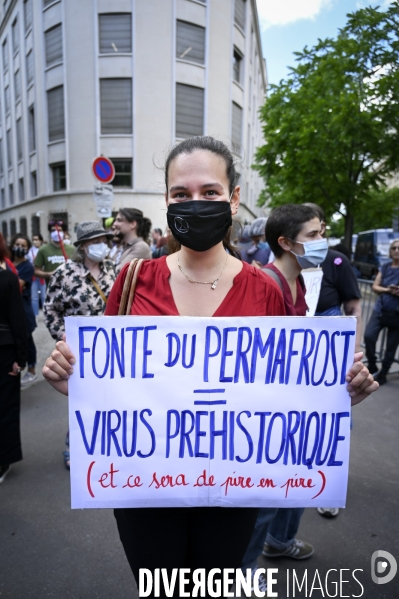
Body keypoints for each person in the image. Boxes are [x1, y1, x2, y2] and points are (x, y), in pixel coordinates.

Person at [42, 137, 378, 598]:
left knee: (215, 588)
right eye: (181, 194)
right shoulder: (134, 278)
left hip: (233, 490)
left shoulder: (265, 289)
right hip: (146, 488)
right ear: (166, 201)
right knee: (160, 588)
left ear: (233, 198)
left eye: (210, 192)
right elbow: (105, 377)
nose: (194, 204)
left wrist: (338, 393)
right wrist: (72, 381)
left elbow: (289, 388)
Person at [43, 221, 116, 469]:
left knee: (108, 400)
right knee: (82, 401)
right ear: (84, 246)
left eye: (103, 241)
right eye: (95, 242)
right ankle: (73, 445)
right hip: (80, 353)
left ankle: (105, 446)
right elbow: (51, 308)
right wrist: (64, 339)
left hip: (111, 350)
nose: (101, 246)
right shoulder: (64, 273)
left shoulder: (113, 270)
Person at [0, 232, 27, 483]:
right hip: (4, 350)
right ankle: (3, 458)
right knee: (5, 405)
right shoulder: (8, 279)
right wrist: (23, 356)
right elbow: (17, 320)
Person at [364, 238, 399, 385]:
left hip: (397, 314)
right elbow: (375, 287)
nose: (396, 251)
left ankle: (384, 373)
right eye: (394, 248)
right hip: (380, 310)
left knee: (391, 347)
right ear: (390, 251)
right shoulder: (384, 267)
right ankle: (372, 365)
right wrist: (388, 290)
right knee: (369, 336)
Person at [10, 234, 38, 386]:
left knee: (27, 338)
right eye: (17, 244)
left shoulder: (27, 267)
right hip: (11, 307)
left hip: (23, 307)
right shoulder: (8, 263)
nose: (19, 248)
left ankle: (32, 369)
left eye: (23, 246)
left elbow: (17, 285)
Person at [27, 234, 47, 316]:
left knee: (44, 296)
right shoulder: (30, 251)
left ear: (41, 240)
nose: (35, 241)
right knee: (34, 297)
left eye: (37, 239)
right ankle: (35, 314)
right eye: (34, 239)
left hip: (43, 275)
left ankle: (46, 314)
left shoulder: (44, 250)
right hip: (34, 276)